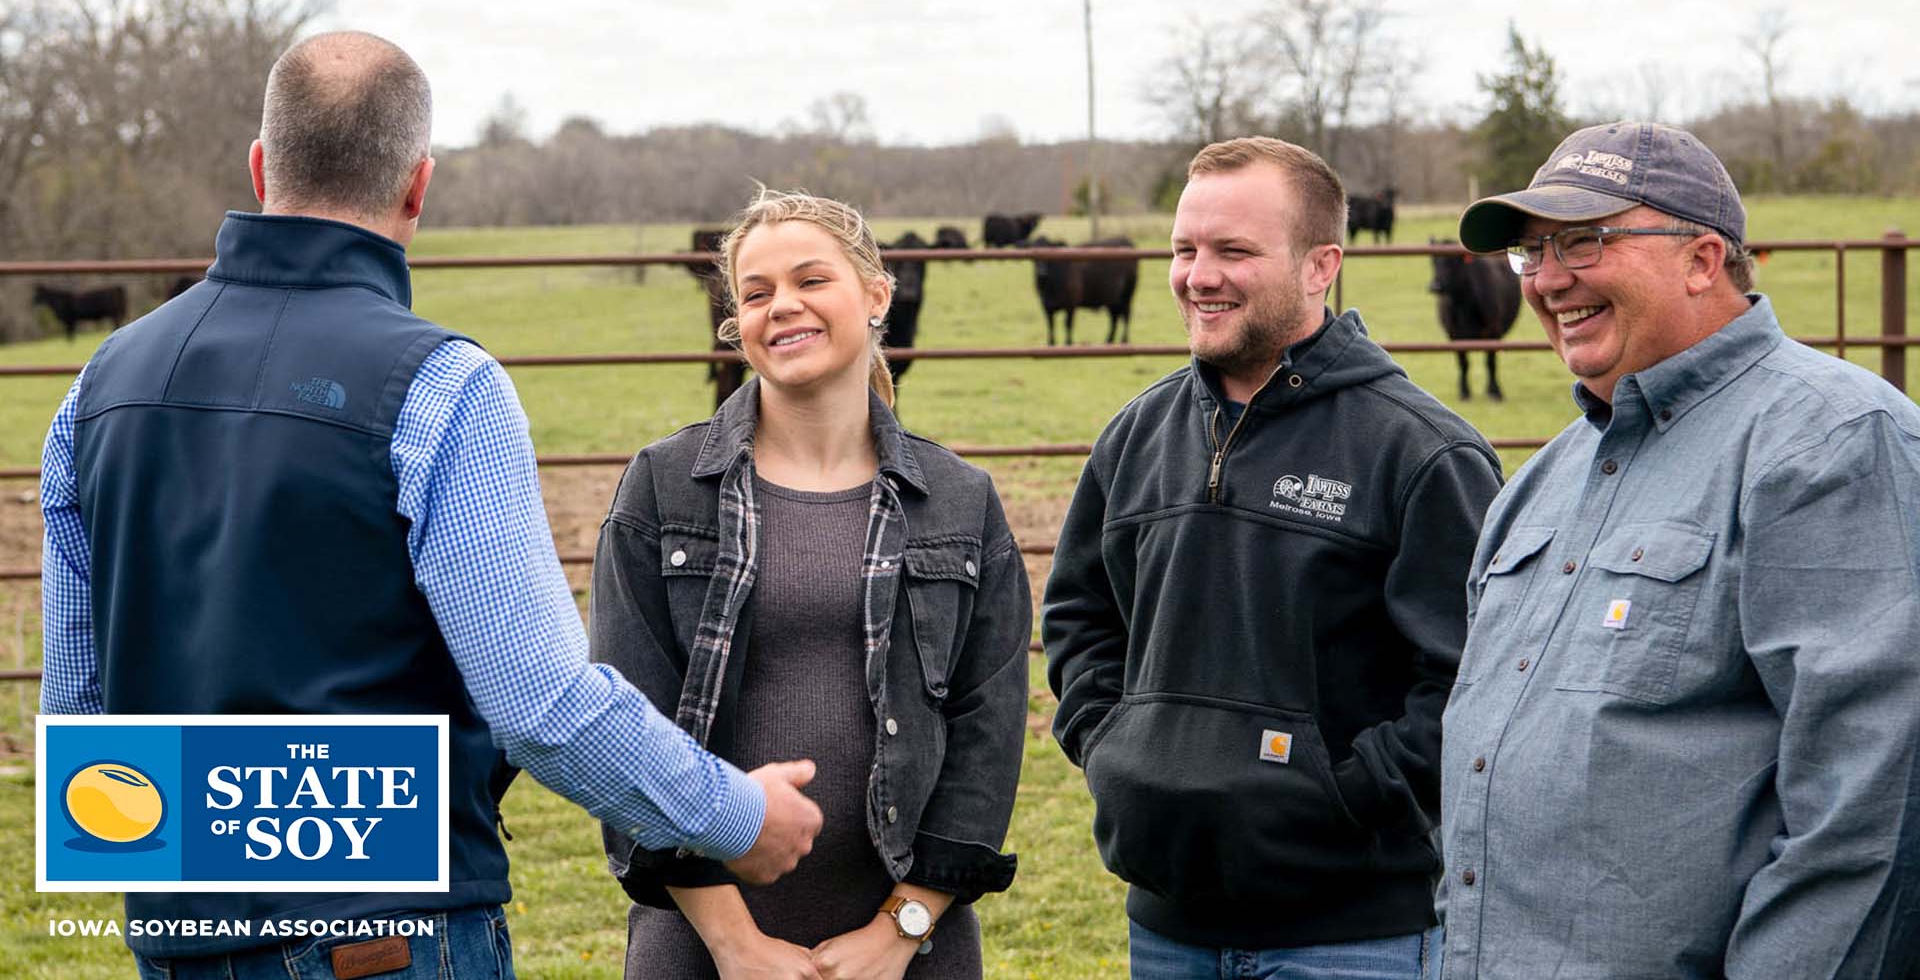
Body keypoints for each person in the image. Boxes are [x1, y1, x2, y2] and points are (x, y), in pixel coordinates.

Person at [37, 31, 822, 978]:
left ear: (259, 167)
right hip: (387, 939)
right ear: (418, 185)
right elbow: (540, 704)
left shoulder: (99, 388)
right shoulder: (440, 386)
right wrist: (738, 817)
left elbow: (81, 715)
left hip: (181, 935)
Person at [1439, 121, 1920, 979]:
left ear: (1702, 259)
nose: (1548, 280)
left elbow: (1876, 808)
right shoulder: (1542, 481)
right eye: (1533, 251)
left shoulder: (1831, 445)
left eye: (1583, 241)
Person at [1042, 136, 1503, 979]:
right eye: (1185, 249)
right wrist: (1116, 745)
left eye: (1234, 251)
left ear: (1321, 264)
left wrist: (1342, 798)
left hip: (1355, 936)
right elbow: (1079, 618)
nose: (1198, 275)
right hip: (1167, 927)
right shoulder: (1137, 437)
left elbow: (1474, 681)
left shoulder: (1422, 454)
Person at [590, 189, 1029, 980]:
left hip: (910, 950)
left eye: (810, 281)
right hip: (700, 947)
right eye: (755, 294)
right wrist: (735, 942)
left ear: (876, 294)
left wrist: (900, 932)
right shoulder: (663, 490)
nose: (781, 307)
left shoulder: (960, 500)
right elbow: (628, 730)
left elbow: (987, 737)